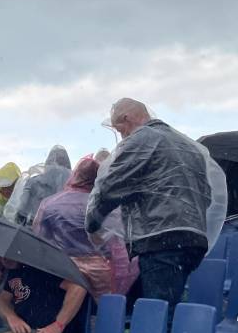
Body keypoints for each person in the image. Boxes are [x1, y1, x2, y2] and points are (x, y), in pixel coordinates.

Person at [86, 98, 225, 309]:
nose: (121, 136)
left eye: (119, 129)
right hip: (193, 239)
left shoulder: (141, 140)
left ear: (126, 118)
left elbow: (112, 186)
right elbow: (206, 193)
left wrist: (92, 222)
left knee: (158, 312)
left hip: (161, 238)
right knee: (167, 303)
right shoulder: (188, 145)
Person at [35, 152, 138, 297]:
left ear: (75, 174)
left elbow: (40, 239)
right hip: (101, 273)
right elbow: (116, 243)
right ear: (99, 178)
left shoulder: (50, 204)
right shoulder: (105, 206)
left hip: (63, 270)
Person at [0, 260, 87, 333]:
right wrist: (11, 316)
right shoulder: (14, 271)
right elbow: (2, 301)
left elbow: (78, 287)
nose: (3, 259)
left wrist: (59, 325)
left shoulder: (46, 268)